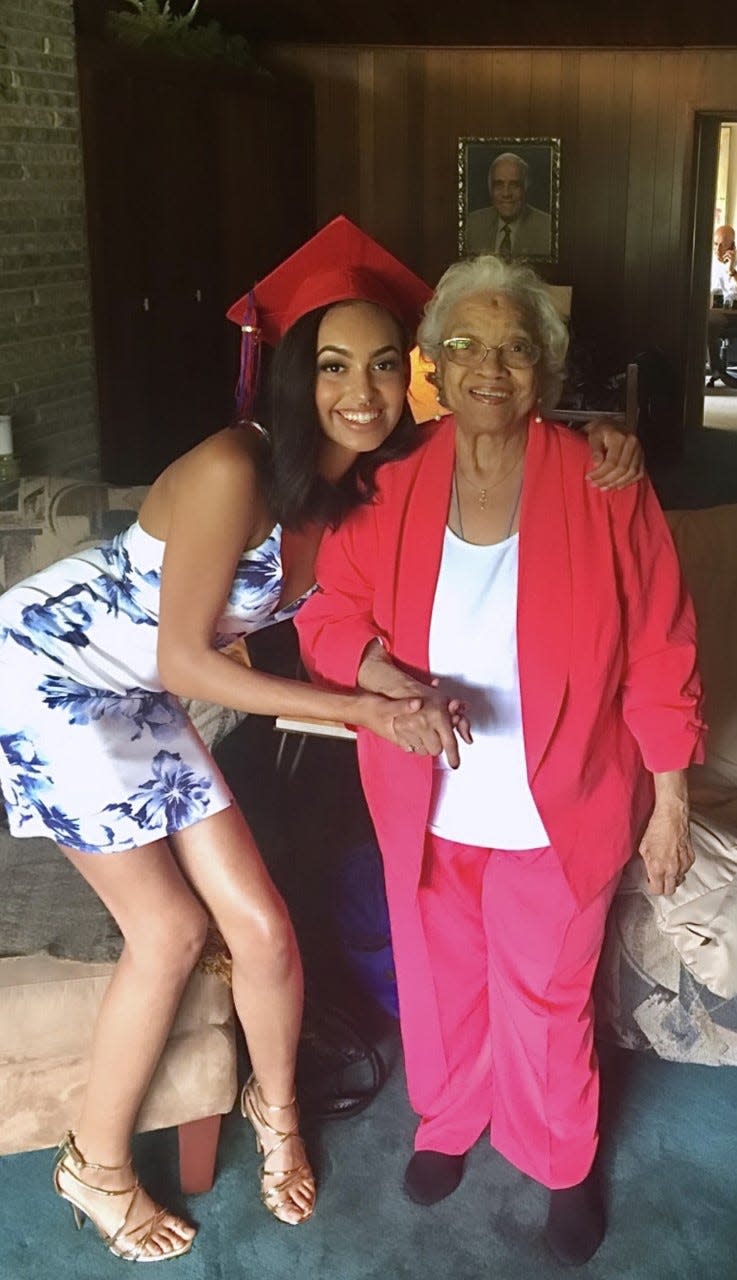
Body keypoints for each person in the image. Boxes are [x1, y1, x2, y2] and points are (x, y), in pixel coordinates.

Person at [0, 217, 642, 1262]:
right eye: (333, 364)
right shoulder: (230, 468)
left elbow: (340, 621)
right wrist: (368, 711)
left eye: (384, 365)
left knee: (261, 926)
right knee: (166, 930)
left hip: (147, 693)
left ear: (411, 379)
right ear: (290, 374)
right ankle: (96, 1163)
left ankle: (277, 1115)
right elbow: (186, 660)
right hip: (55, 678)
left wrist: (607, 438)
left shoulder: (358, 484)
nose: (361, 389)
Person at [295, 253, 705, 1266]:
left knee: (547, 992)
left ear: (545, 373)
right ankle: (445, 1121)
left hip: (556, 805)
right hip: (423, 801)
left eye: (516, 346)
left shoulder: (601, 479)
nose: (490, 365)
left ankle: (559, 1158)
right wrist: (382, 677)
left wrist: (666, 795)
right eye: (466, 343)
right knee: (440, 982)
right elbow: (329, 614)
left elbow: (660, 642)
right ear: (433, 360)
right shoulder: (387, 483)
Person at [465, 153, 552, 258]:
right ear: (490, 190)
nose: (506, 194)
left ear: (526, 188)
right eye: (499, 185)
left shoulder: (547, 229)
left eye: (514, 185)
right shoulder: (473, 224)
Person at [707, 224, 737, 384]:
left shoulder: (735, 264)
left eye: (722, 245)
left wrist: (732, 270)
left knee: (711, 321)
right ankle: (716, 370)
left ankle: (717, 370)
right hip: (715, 313)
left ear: (732, 246)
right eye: (715, 244)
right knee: (708, 321)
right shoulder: (708, 262)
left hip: (734, 315)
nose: (718, 249)